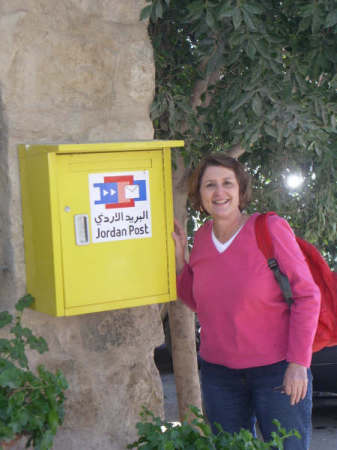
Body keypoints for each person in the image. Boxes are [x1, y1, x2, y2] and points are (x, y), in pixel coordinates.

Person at [172, 153, 321, 450]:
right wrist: (179, 260)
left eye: (227, 183)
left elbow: (307, 295)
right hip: (219, 375)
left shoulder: (269, 228)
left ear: (240, 190)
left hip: (277, 372)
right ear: (199, 196)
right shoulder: (201, 239)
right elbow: (199, 302)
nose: (219, 192)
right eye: (209, 185)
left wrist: (298, 364)